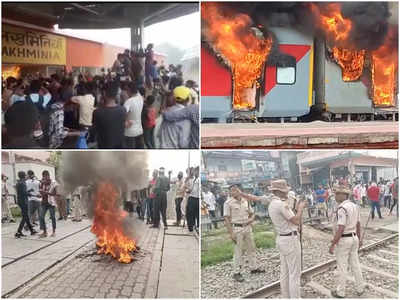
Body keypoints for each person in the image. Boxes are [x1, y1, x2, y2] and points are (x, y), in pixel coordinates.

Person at [239, 179, 305, 298]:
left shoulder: (272, 203)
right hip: (290, 240)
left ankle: (286, 296)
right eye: (285, 191)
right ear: (280, 191)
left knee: (285, 272)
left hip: (282, 238)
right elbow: (296, 220)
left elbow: (256, 199)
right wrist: (300, 208)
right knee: (295, 274)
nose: (287, 193)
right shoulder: (280, 204)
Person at [329, 185, 365, 298]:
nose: (335, 196)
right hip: (354, 237)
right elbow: (358, 224)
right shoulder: (355, 206)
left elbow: (341, 228)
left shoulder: (342, 209)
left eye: (337, 194)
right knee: (355, 264)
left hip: (344, 239)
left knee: (342, 266)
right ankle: (360, 287)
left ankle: (341, 292)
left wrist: (333, 244)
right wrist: (359, 239)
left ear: (343, 195)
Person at [224, 184, 263, 282]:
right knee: (239, 251)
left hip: (248, 228)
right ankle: (236, 272)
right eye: (231, 190)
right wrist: (231, 233)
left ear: (240, 190)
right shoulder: (228, 203)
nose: (233, 192)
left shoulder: (246, 201)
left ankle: (253, 267)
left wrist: (251, 219)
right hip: (237, 229)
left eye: (235, 190)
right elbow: (227, 219)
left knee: (251, 248)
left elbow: (252, 213)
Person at [92, 81, 127, 148]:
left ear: (104, 93)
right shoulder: (123, 110)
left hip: (104, 147)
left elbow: (94, 131)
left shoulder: (97, 112)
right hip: (120, 146)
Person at [122, 82, 144, 148]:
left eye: (126, 90)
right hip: (139, 130)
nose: (125, 92)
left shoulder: (129, 102)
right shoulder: (140, 98)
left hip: (129, 132)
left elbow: (122, 114)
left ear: (129, 90)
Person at [15, 171, 37, 238]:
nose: (26, 176)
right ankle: (18, 232)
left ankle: (31, 230)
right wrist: (32, 194)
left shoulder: (19, 183)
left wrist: (29, 191)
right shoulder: (23, 183)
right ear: (24, 176)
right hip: (24, 202)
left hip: (21, 201)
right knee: (25, 217)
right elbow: (24, 193)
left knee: (26, 216)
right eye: (26, 175)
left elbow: (23, 192)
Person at [39, 171, 58, 238]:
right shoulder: (42, 183)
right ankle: (45, 232)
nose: (45, 179)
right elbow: (40, 191)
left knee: (52, 217)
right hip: (43, 202)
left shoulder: (53, 183)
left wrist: (45, 192)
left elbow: (55, 193)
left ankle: (54, 231)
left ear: (49, 176)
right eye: (43, 177)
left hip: (51, 202)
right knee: (41, 217)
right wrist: (41, 193)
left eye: (46, 177)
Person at [186, 167, 200, 232]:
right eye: (194, 171)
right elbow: (191, 189)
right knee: (190, 214)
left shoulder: (198, 180)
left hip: (196, 199)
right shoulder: (194, 179)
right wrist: (188, 190)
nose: (194, 172)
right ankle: (192, 227)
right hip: (191, 198)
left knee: (196, 214)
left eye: (195, 171)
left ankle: (197, 227)